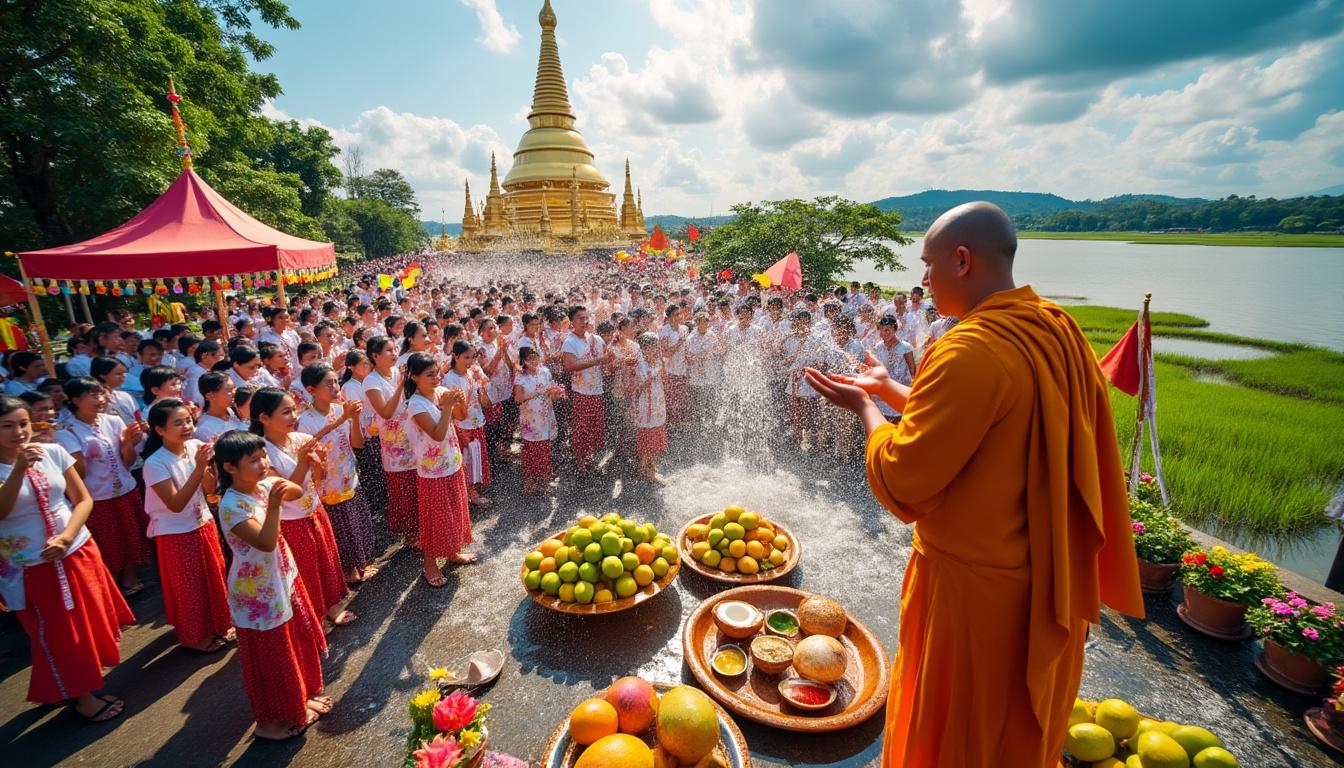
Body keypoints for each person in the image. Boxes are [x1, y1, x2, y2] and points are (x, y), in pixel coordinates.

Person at [804, 202, 1144, 768]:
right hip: (1048, 574)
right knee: (1017, 730)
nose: (923, 278)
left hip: (978, 598)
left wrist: (865, 408)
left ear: (962, 260)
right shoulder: (1056, 328)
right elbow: (980, 426)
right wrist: (889, 389)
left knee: (958, 736)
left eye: (928, 264)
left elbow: (904, 476)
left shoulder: (970, 347)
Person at [0, 395, 133, 722]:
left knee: (86, 624)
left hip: (76, 548)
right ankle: (83, 697)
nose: (18, 432)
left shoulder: (53, 452)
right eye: (7, 426)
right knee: (60, 633)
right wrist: (18, 470)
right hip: (32, 566)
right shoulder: (11, 466)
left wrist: (67, 536)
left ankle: (64, 685)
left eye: (23, 424)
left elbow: (83, 499)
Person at [213, 430, 329, 740]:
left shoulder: (262, 486)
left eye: (264, 456)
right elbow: (265, 542)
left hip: (280, 578)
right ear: (230, 468)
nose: (263, 463)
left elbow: (296, 490)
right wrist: (274, 504)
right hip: (257, 592)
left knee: (294, 642)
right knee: (274, 658)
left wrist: (301, 464)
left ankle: (300, 699)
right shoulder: (232, 505)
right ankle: (268, 724)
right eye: (254, 460)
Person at [251, 388, 354, 629]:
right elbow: (285, 493)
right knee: (306, 569)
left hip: (314, 510)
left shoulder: (300, 439)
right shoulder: (261, 453)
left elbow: (318, 479)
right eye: (286, 412)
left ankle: (331, 605)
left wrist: (318, 463)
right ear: (264, 418)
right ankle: (314, 616)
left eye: (294, 410)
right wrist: (302, 462)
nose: (294, 416)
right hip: (290, 520)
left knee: (325, 560)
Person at [140, 398, 234, 652]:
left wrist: (208, 468)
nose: (187, 427)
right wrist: (199, 468)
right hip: (175, 531)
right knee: (190, 586)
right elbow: (175, 504)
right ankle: (195, 637)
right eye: (178, 423)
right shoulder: (155, 463)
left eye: (189, 421)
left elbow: (209, 489)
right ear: (160, 430)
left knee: (214, 576)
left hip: (202, 521)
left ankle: (220, 623)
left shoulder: (194, 447)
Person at [56, 377, 148, 594]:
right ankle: (109, 584)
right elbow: (79, 472)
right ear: (76, 400)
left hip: (125, 488)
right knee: (107, 541)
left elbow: (127, 462)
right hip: (97, 496)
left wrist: (127, 442)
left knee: (130, 535)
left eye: (101, 393)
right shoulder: (67, 431)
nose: (101, 399)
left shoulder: (113, 421)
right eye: (93, 395)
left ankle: (131, 576)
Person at [298, 364, 377, 585]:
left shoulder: (341, 409)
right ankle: (349, 572)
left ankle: (359, 565)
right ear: (312, 390)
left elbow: (357, 444)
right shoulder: (305, 420)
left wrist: (354, 419)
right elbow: (308, 446)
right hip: (329, 485)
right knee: (343, 528)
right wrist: (343, 419)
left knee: (356, 523)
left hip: (349, 476)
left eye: (336, 381)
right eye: (328, 383)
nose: (335, 387)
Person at [402, 353, 475, 587]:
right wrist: (447, 407)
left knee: (454, 510)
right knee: (435, 518)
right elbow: (437, 434)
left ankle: (452, 551)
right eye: (430, 375)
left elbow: (462, 417)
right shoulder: (415, 404)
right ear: (414, 377)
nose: (436, 379)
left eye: (437, 373)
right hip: (433, 470)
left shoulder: (441, 392)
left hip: (452, 461)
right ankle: (429, 564)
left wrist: (460, 401)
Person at [364, 336, 417, 544]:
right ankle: (410, 534)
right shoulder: (371, 381)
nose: (394, 353)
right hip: (394, 445)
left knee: (416, 484)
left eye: (395, 349)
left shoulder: (397, 372)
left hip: (412, 435)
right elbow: (385, 412)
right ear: (375, 356)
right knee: (403, 490)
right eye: (388, 350)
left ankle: (421, 529)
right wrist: (401, 384)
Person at [561, 305, 612, 474]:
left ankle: (589, 457)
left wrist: (614, 359)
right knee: (581, 427)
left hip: (597, 389)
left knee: (594, 426)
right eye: (580, 318)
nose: (584, 321)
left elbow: (606, 359)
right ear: (572, 322)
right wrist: (597, 361)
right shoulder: (570, 342)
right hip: (581, 392)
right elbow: (569, 365)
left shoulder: (596, 339)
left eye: (586, 318)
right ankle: (580, 461)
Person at [442, 341, 492, 505]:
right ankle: (468, 494)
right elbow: (456, 410)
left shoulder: (472, 373)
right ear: (455, 356)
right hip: (461, 425)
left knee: (476, 456)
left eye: (473, 357)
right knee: (466, 458)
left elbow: (484, 402)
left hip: (477, 420)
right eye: (466, 357)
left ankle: (473, 490)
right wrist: (472, 386)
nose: (470, 361)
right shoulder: (450, 379)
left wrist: (481, 385)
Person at [513, 346, 562, 494]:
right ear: (523, 361)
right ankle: (531, 482)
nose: (534, 361)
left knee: (544, 448)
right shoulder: (521, 377)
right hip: (531, 420)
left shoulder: (545, 372)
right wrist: (537, 393)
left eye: (535, 357)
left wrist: (556, 393)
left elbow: (552, 393)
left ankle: (541, 480)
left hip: (545, 415)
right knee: (533, 450)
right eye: (529, 358)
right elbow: (518, 398)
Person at [629, 332, 668, 484]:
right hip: (646, 407)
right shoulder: (640, 364)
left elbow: (665, 381)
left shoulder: (658, 362)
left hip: (658, 405)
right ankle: (646, 470)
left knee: (655, 435)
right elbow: (641, 386)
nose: (655, 350)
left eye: (656, 347)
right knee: (647, 437)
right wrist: (654, 372)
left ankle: (649, 466)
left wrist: (662, 367)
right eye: (651, 348)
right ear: (644, 349)